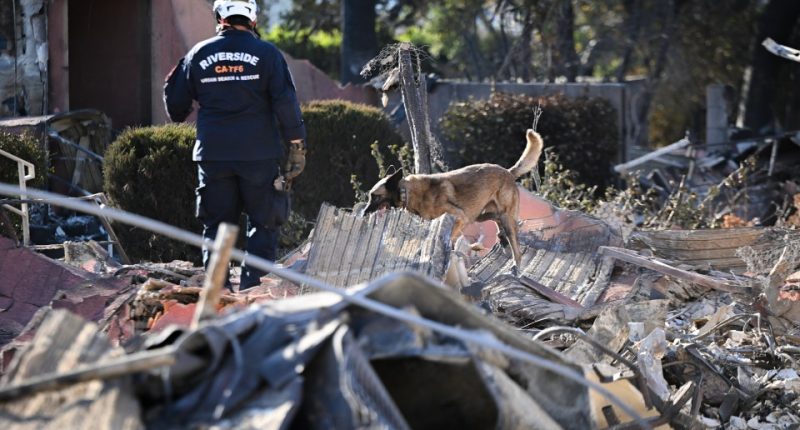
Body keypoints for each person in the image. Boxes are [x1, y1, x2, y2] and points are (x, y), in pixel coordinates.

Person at [163, 0, 306, 290]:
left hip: (213, 155)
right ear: (253, 20)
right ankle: (255, 291)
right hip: (259, 155)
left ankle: (217, 292)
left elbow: (175, 106)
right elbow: (286, 103)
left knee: (216, 227)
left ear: (219, 18)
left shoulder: (199, 53)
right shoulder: (268, 54)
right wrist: (297, 144)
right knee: (264, 223)